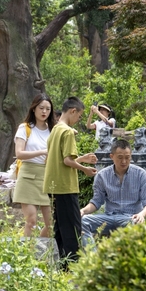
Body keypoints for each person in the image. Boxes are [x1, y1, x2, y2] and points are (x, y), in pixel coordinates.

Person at [43, 96, 98, 268]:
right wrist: (85, 170)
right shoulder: (67, 132)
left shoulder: (55, 130)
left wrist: (81, 159)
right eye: (79, 116)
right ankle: (73, 268)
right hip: (65, 186)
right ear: (73, 111)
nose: (78, 119)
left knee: (60, 228)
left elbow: (58, 159)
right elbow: (67, 160)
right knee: (74, 229)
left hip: (53, 185)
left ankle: (62, 267)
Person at [80, 139, 146, 245]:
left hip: (130, 217)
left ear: (131, 156)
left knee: (135, 224)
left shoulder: (141, 174)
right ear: (112, 156)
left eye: (127, 157)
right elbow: (96, 202)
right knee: (83, 221)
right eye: (120, 157)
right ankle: (92, 256)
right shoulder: (102, 175)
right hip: (109, 217)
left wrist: (141, 214)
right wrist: (83, 211)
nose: (124, 161)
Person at [12, 94, 56, 237]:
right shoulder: (24, 128)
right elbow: (19, 153)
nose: (44, 112)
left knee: (52, 224)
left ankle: (38, 252)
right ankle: (27, 255)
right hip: (28, 175)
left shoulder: (53, 129)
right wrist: (42, 152)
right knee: (31, 221)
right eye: (41, 108)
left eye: (48, 109)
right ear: (33, 109)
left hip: (47, 177)